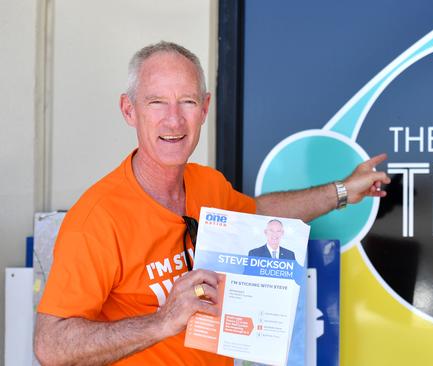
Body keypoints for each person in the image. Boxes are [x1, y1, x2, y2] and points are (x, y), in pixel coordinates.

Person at [33, 41, 390, 366]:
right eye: (156, 101)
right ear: (129, 110)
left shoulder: (207, 184)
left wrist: (344, 190)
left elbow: (262, 215)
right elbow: (50, 346)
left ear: (205, 108)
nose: (173, 120)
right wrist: (161, 322)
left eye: (187, 101)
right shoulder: (97, 219)